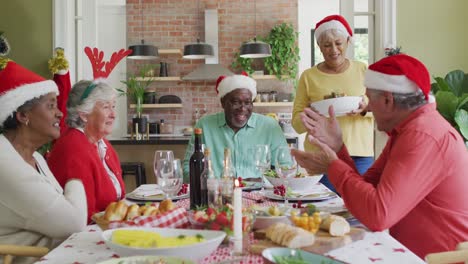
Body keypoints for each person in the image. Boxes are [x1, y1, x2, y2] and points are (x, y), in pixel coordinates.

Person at [291, 54, 468, 258]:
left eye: (369, 99)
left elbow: (377, 215)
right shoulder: (406, 130)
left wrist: (332, 165)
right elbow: (365, 194)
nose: (368, 107)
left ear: (387, 100)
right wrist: (338, 148)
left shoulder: (422, 135)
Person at [0, 60, 87, 263]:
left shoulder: (36, 158)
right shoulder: (5, 161)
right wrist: (75, 182)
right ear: (23, 115)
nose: (60, 113)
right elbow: (73, 223)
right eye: (51, 106)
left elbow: (66, 219)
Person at [292, 14, 374, 193]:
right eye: (327, 45)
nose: (333, 50)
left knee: (360, 207)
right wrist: (310, 116)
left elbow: (381, 109)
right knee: (324, 209)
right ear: (319, 47)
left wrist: (365, 109)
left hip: (359, 154)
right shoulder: (308, 76)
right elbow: (296, 124)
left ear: (348, 41)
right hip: (321, 155)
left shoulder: (363, 69)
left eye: (338, 43)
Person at [183, 74, 288, 181]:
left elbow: (285, 169)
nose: (243, 108)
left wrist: (261, 181)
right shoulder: (204, 126)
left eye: (247, 102)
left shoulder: (270, 126)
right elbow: (187, 170)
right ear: (223, 102)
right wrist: (214, 184)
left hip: (259, 193)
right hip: (217, 194)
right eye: (236, 102)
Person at [47, 80, 125, 223]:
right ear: (84, 114)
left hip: (106, 230)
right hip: (84, 237)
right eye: (106, 107)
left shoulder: (103, 144)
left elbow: (119, 200)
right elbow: (85, 217)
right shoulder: (73, 148)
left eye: (113, 106)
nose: (113, 114)